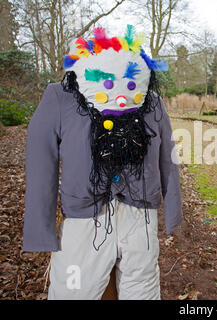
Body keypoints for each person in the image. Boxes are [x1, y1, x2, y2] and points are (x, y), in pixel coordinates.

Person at [22, 25, 183, 300]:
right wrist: (41, 227)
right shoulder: (60, 96)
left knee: (142, 288)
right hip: (83, 219)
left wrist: (173, 211)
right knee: (72, 290)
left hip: (140, 217)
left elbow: (168, 154)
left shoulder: (152, 100)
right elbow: (40, 161)